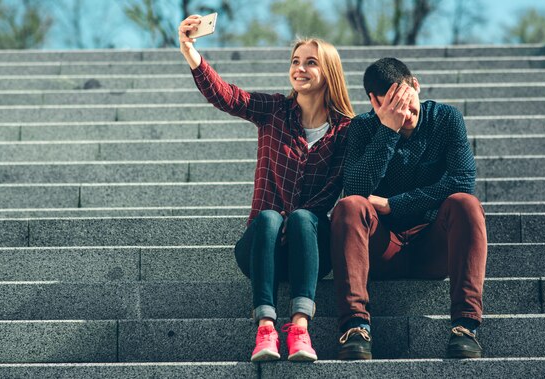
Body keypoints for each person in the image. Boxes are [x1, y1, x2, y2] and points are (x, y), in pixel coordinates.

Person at [178, 15, 354, 362]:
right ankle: (266, 329)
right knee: (271, 218)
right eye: (295, 61)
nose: (299, 68)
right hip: (263, 247)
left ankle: (300, 328)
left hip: (310, 250)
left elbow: (347, 189)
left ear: (329, 72)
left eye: (310, 62)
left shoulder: (346, 132)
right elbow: (228, 96)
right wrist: (189, 51)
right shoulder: (275, 109)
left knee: (304, 217)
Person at [330, 57, 487, 360]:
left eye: (408, 100)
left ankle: (466, 328)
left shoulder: (446, 118)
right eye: (393, 105)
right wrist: (387, 130)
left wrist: (393, 204)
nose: (405, 112)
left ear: (416, 85)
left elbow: (463, 181)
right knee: (349, 207)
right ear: (375, 101)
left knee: (465, 204)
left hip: (432, 245)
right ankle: (356, 326)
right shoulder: (363, 127)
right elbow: (357, 190)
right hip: (381, 249)